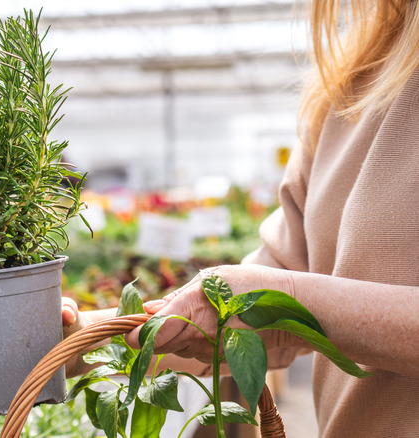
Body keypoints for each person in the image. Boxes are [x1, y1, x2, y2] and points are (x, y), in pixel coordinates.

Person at [62, 0, 419, 436]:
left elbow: (282, 292)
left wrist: (289, 295)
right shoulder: (353, 82)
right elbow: (261, 301)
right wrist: (81, 338)